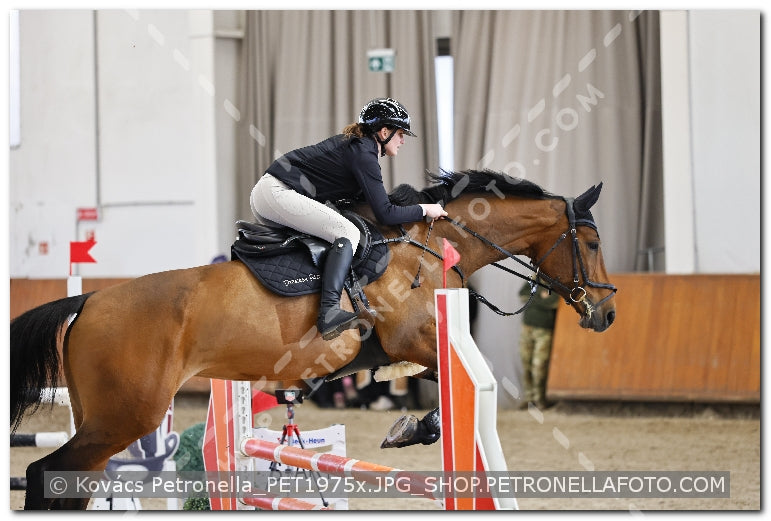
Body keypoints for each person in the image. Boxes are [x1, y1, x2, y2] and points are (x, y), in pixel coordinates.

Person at [250, 98, 447, 340]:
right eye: (400, 133)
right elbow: (385, 213)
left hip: (272, 194)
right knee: (348, 233)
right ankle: (330, 311)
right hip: (277, 193)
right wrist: (424, 210)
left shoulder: (361, 148)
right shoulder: (364, 154)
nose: (403, 140)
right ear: (384, 132)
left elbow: (372, 207)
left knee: (336, 231)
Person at [518, 281, 560, 409]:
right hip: (527, 328)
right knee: (526, 363)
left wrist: (532, 297)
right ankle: (529, 398)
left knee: (539, 366)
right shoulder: (533, 279)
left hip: (544, 330)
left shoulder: (556, 284)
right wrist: (540, 297)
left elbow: (554, 302)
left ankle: (540, 399)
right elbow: (522, 295)